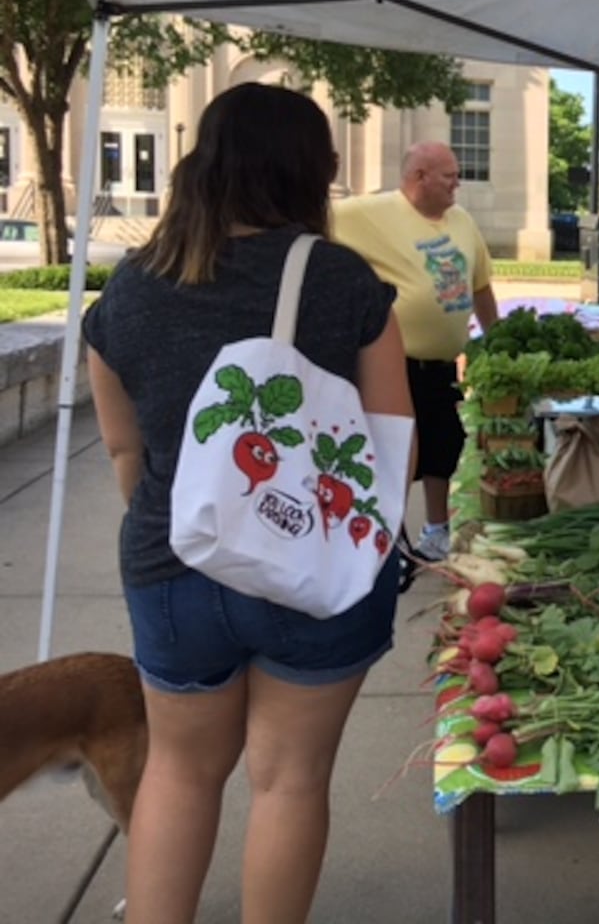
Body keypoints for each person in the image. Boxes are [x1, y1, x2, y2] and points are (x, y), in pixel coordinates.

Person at [82, 83, 412, 924]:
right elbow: (386, 449)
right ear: (310, 172)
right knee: (290, 778)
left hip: (171, 563)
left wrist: (184, 536)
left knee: (179, 773)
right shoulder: (343, 282)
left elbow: (126, 450)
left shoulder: (131, 287)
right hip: (312, 569)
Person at [333, 141, 498, 561]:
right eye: (449, 175)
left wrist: (495, 340)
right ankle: (385, 533)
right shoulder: (368, 213)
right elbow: (313, 224)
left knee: (444, 444)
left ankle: (437, 531)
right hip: (393, 362)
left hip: (441, 364)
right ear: (419, 176)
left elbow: (480, 286)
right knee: (393, 449)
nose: (457, 182)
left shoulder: (462, 221)